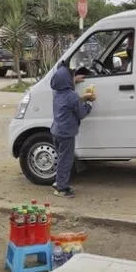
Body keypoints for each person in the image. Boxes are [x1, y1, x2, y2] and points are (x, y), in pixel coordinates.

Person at [50, 62, 95, 198]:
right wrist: (89, 102)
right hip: (67, 133)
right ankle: (61, 188)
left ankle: (59, 181)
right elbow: (81, 113)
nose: (73, 78)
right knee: (66, 160)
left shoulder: (58, 93)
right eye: (72, 76)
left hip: (56, 131)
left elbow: (71, 103)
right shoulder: (72, 95)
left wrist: (75, 83)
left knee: (61, 158)